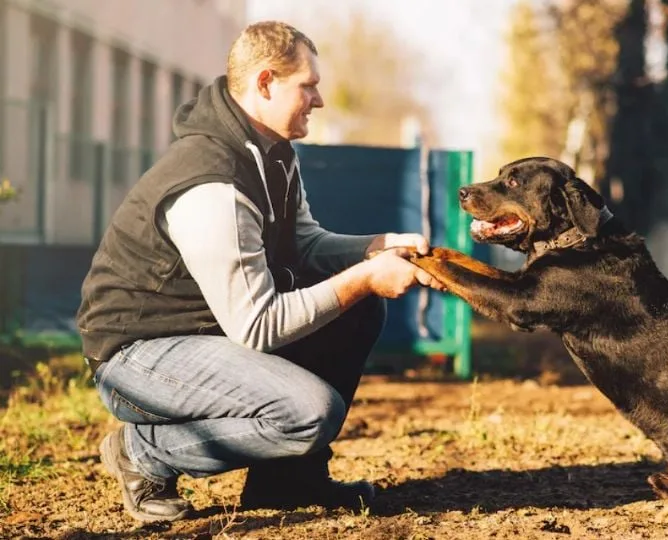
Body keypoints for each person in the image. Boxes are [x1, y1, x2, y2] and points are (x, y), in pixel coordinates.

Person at [75, 20, 443, 523]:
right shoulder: (213, 182)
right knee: (308, 414)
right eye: (308, 86)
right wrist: (364, 277)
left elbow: (307, 242)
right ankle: (143, 451)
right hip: (138, 356)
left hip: (203, 334)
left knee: (359, 311)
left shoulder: (272, 153)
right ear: (265, 82)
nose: (318, 100)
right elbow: (258, 325)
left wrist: (378, 247)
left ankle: (288, 483)